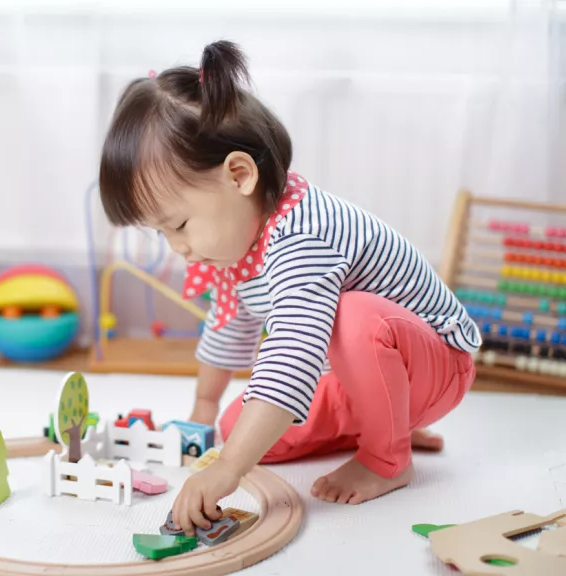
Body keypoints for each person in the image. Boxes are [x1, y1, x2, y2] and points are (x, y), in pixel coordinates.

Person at [98, 40, 480, 536]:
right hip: (366, 375)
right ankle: (387, 420)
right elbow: (227, 325)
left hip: (437, 366)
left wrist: (229, 470)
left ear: (239, 175)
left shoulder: (304, 236)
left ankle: (387, 457)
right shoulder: (238, 243)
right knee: (239, 431)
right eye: (161, 233)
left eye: (180, 224)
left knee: (351, 318)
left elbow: (294, 353)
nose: (177, 248)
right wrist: (206, 412)